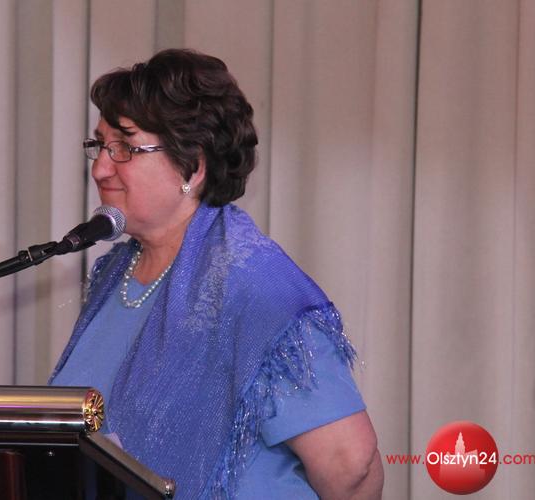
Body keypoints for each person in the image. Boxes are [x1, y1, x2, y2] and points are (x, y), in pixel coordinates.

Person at [50, 48, 383, 499]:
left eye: (125, 147)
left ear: (194, 165)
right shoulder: (115, 274)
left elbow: (352, 466)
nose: (100, 168)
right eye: (99, 145)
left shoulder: (253, 283)